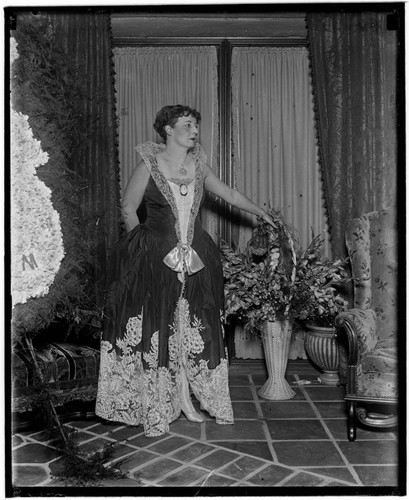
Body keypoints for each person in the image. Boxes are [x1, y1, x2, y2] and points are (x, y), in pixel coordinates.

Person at [96, 104, 275, 437]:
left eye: (196, 125)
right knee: (159, 325)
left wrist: (260, 213)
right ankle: (158, 404)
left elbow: (230, 193)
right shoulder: (149, 164)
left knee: (189, 324)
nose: (194, 130)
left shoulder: (200, 166)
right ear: (168, 129)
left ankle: (186, 399)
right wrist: (143, 247)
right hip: (156, 257)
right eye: (187, 124)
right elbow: (127, 206)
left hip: (196, 255)